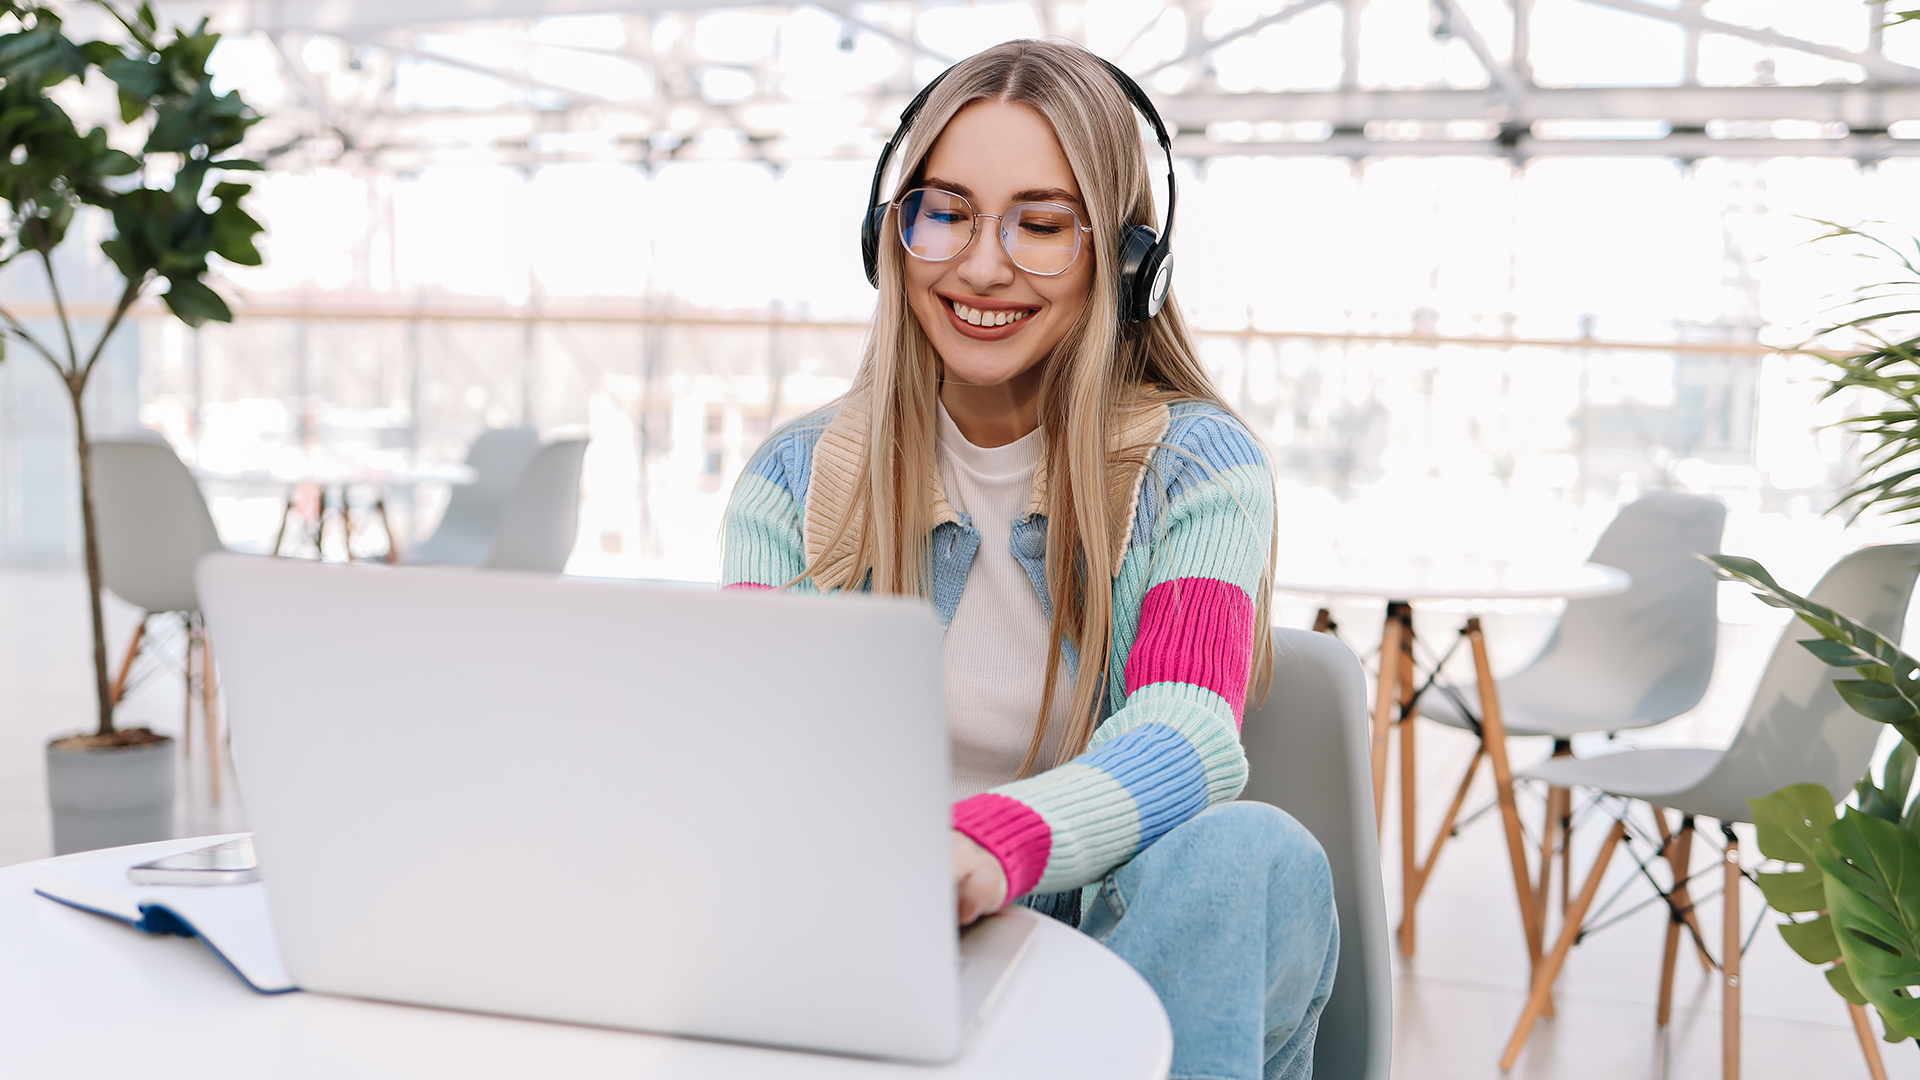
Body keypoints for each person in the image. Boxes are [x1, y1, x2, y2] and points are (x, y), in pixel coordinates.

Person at [722, 38, 1337, 1080]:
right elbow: (750, 732)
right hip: (868, 946)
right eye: (946, 213)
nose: (982, 264)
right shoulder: (793, 477)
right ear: (891, 234)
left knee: (1251, 854)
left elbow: (1190, 727)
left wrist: (991, 845)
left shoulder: (1200, 470)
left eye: (1042, 225)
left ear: (1128, 261)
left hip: (1104, 947)